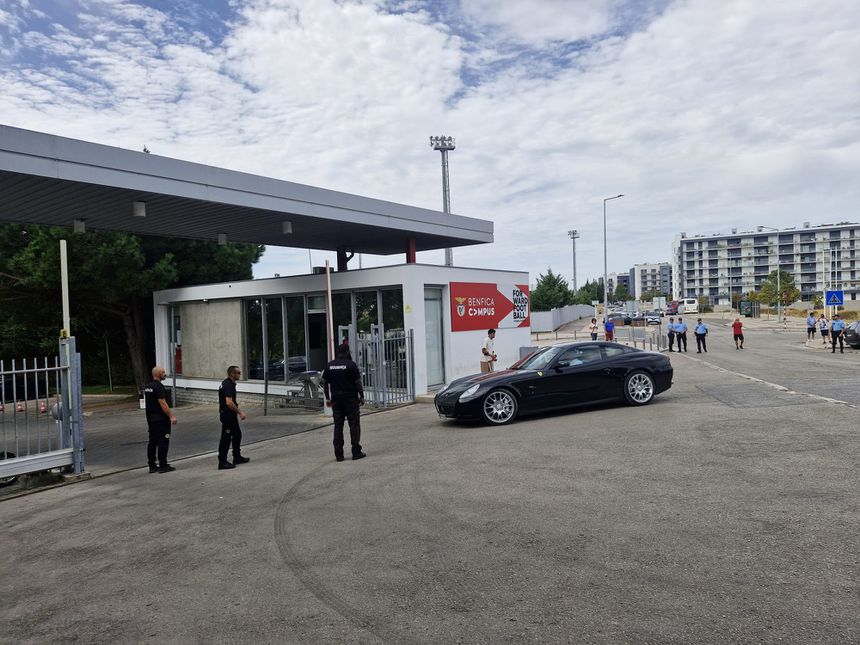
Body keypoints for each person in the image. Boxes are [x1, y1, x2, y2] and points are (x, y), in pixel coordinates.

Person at [321, 344, 366, 461]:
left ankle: (339, 454)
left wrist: (327, 398)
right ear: (346, 352)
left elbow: (325, 383)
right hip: (350, 400)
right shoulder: (351, 365)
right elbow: (357, 383)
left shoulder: (330, 366)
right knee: (354, 425)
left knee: (338, 426)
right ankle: (356, 451)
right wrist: (361, 396)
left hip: (336, 401)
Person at [144, 366, 177, 473]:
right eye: (163, 372)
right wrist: (171, 416)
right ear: (157, 374)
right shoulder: (159, 387)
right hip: (161, 419)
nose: (165, 374)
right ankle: (163, 465)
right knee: (163, 441)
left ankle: (152, 465)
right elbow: (162, 403)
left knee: (152, 442)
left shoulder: (148, 387)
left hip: (151, 419)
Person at [217, 365, 249, 470]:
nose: (240, 374)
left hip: (231, 415)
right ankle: (222, 462)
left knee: (237, 435)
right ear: (232, 374)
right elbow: (229, 403)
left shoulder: (229, 384)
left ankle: (237, 457)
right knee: (226, 438)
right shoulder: (228, 385)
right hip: (227, 415)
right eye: (238, 373)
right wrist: (240, 412)